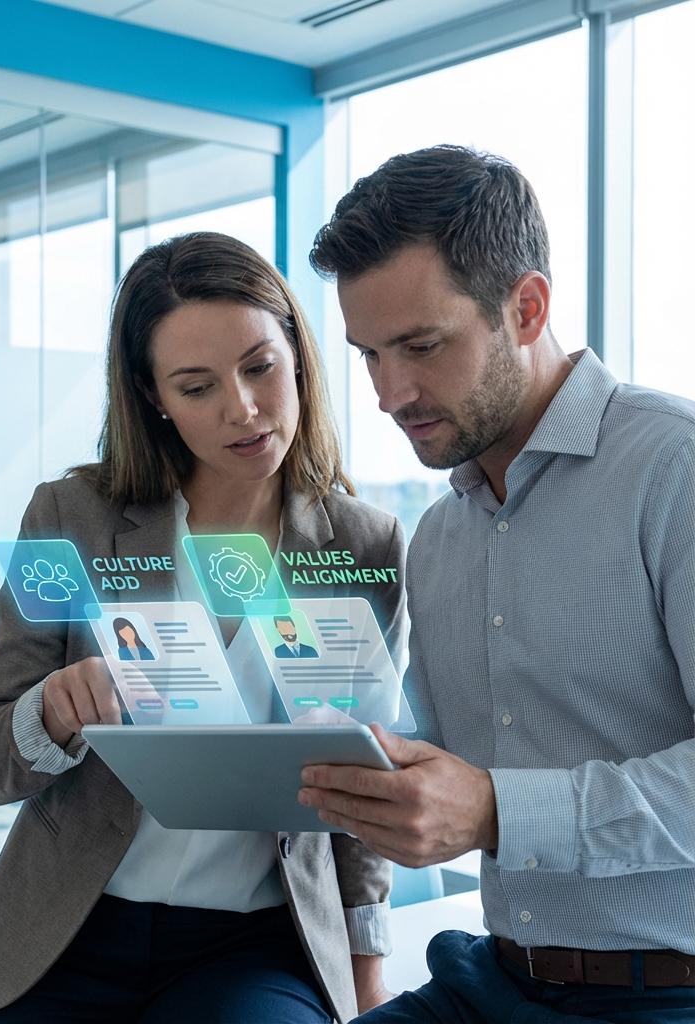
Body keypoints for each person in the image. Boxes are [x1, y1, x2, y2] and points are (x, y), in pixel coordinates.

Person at [0, 232, 409, 1023]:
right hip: (68, 928)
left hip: (257, 944)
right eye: (197, 386)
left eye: (260, 367)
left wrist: (368, 971)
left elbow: (366, 790)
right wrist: (51, 712)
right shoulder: (67, 518)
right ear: (153, 395)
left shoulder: (365, 545)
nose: (243, 409)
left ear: (298, 354)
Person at [298, 145, 694, 1023]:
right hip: (493, 980)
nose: (389, 393)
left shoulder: (677, 470)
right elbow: (435, 749)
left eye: (420, 346)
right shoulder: (439, 536)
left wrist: (498, 812)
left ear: (526, 307)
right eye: (368, 355)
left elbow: (483, 804)